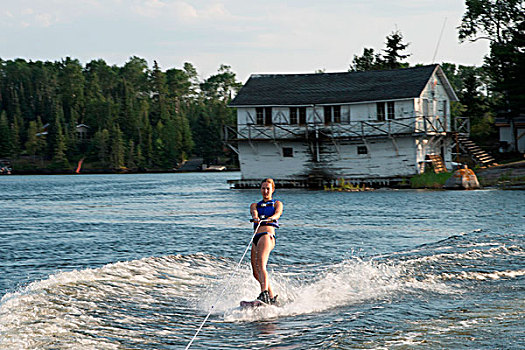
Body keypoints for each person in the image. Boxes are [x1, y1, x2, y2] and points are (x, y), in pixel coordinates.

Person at [250, 178, 283, 305]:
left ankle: (264, 294)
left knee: (261, 265)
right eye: (263, 188)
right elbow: (254, 213)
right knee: (255, 272)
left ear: (272, 190)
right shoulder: (255, 205)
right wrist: (256, 218)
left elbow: (278, 214)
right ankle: (271, 296)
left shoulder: (276, 203)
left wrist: (271, 218)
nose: (265, 191)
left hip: (267, 236)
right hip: (256, 239)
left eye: (268, 188)